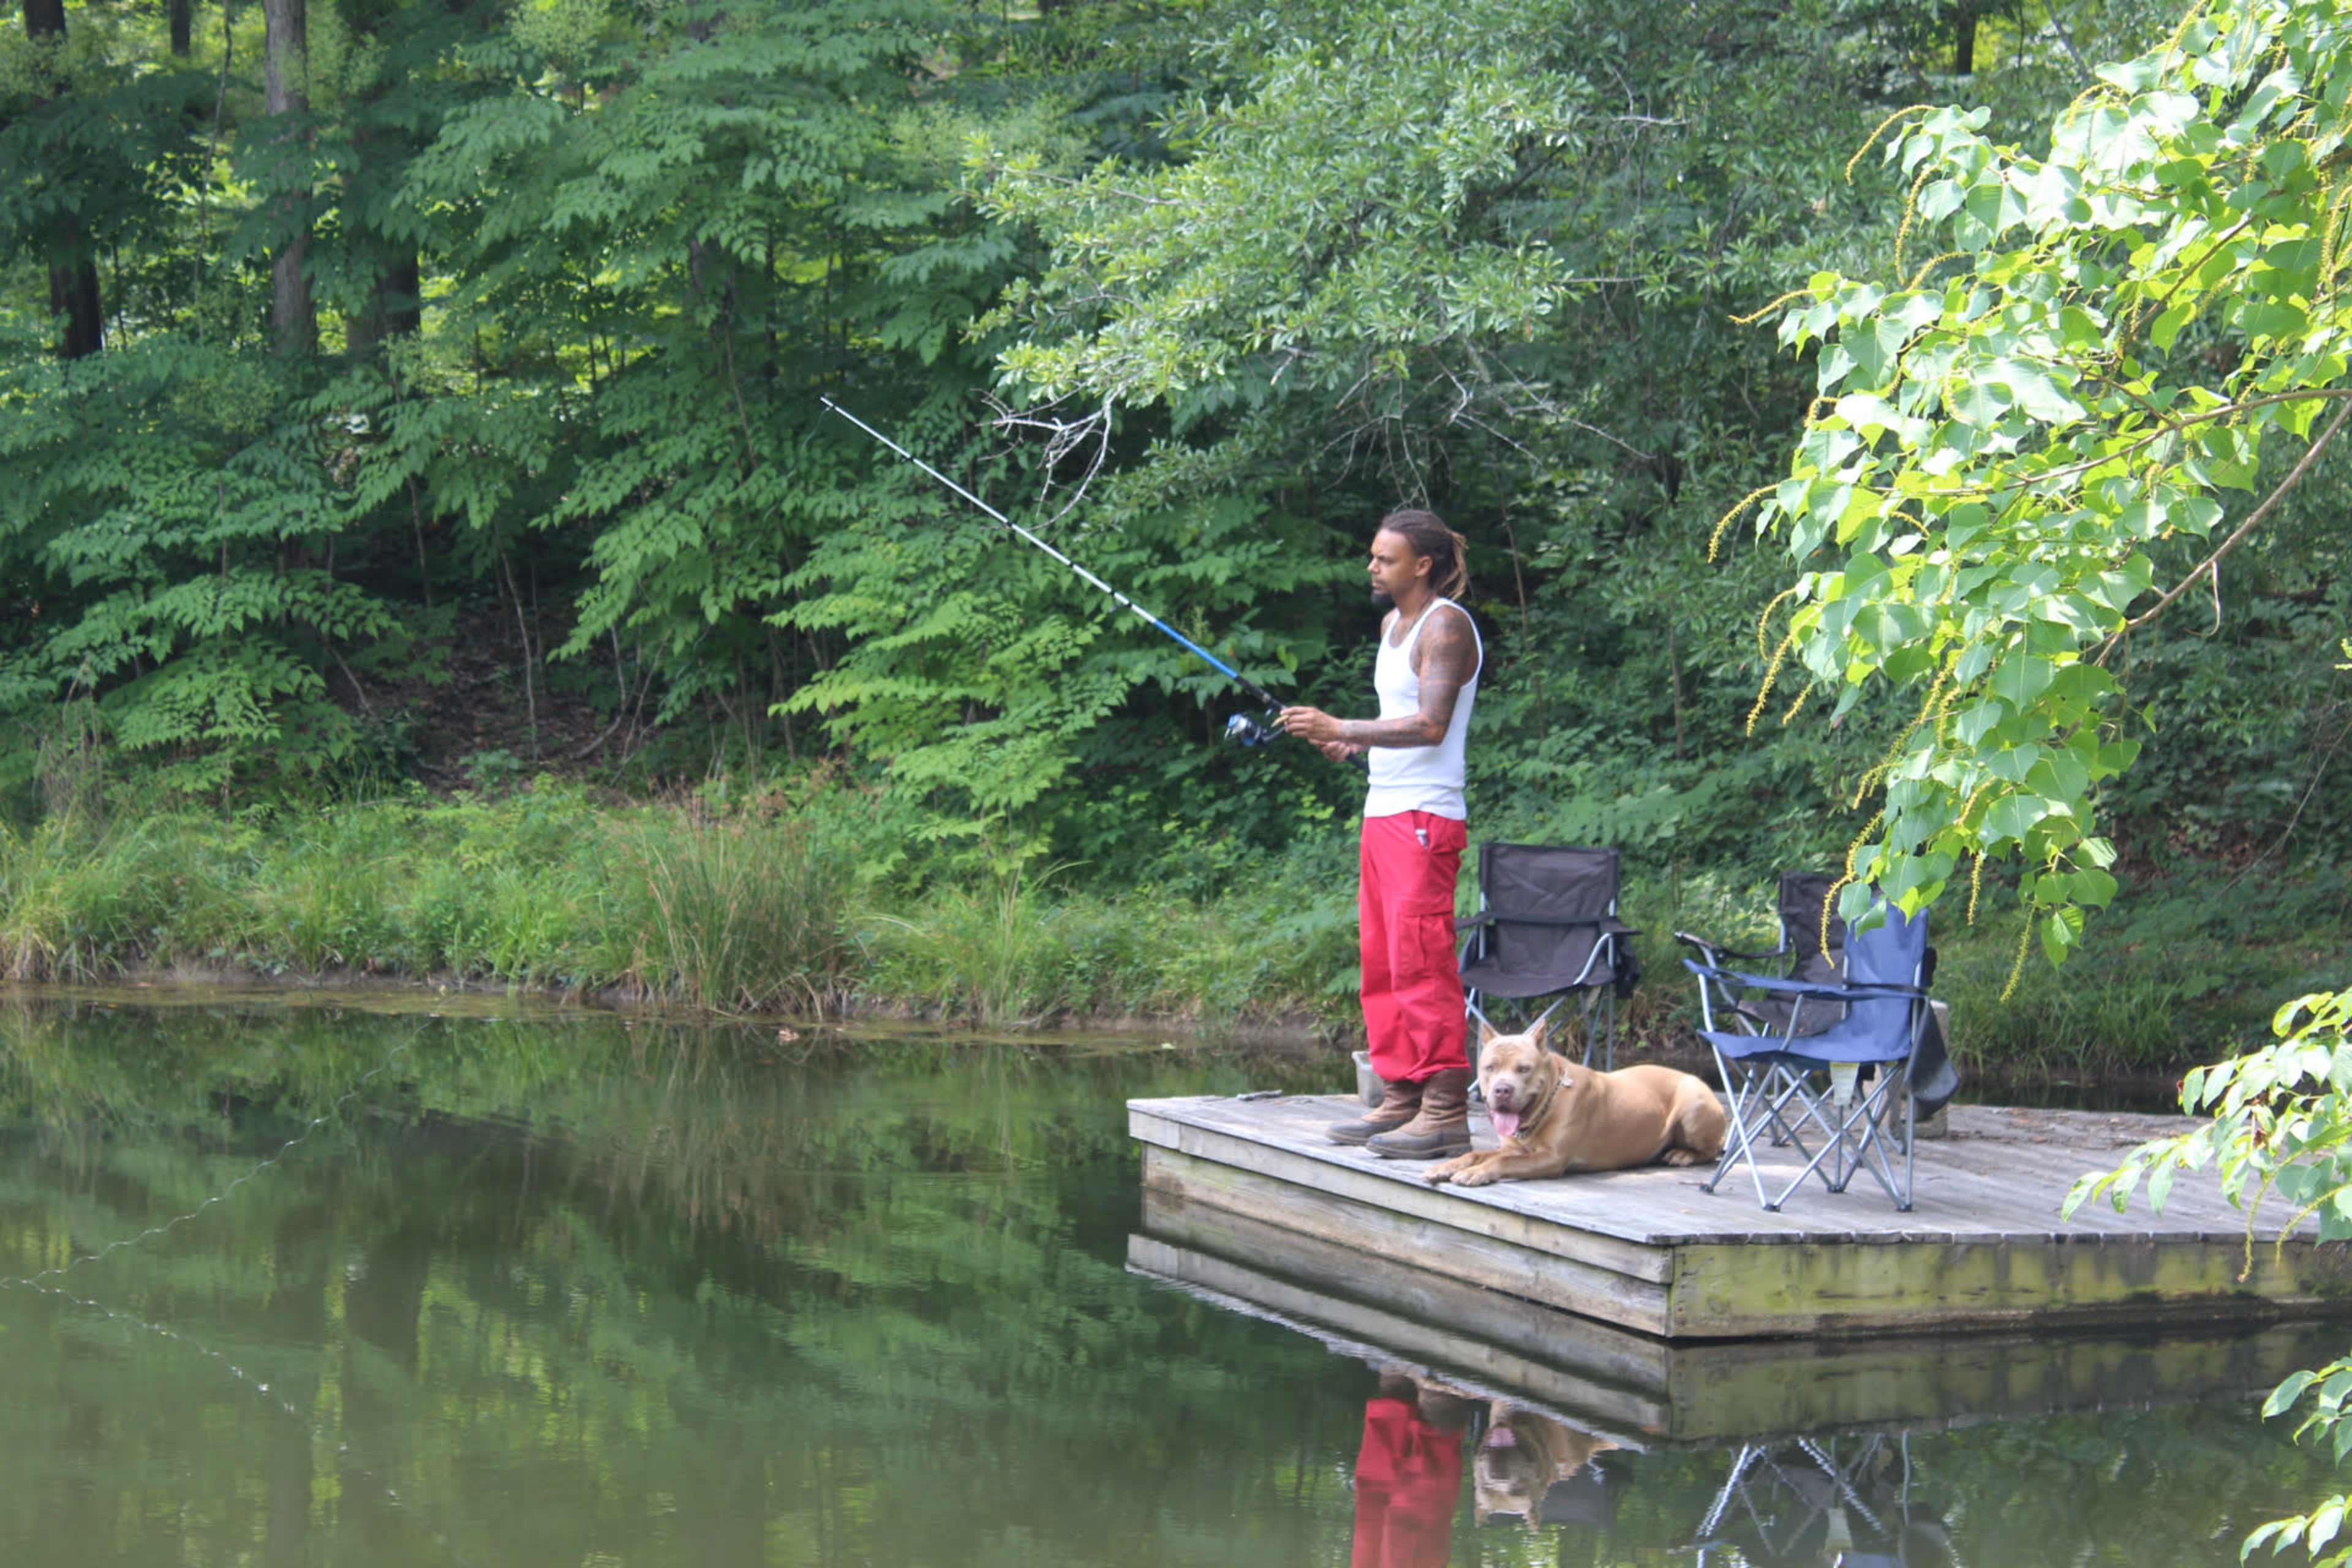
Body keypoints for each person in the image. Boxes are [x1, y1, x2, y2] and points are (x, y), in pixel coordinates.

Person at [1278, 509, 1482, 1159]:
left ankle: (1447, 1109)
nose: (1372, 567)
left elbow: (1430, 726)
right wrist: (1353, 749)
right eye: (1372, 556)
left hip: (1426, 817)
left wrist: (1342, 725)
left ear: (1421, 565)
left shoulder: (1445, 624)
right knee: (1384, 963)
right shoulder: (1392, 625)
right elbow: (1396, 729)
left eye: (1385, 558)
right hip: (1384, 810)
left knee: (1423, 962)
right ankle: (1401, 1097)